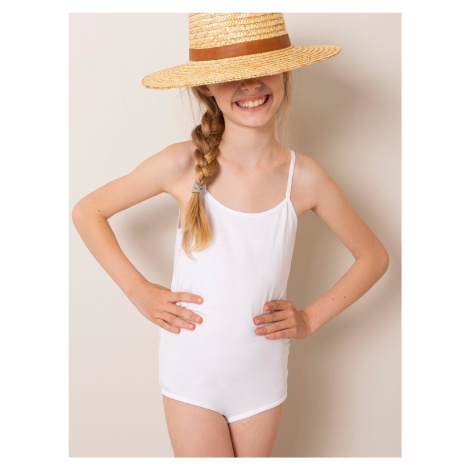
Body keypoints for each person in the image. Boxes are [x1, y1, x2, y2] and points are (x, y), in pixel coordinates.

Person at [72, 13, 389, 458]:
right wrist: (137, 290)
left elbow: (373, 256)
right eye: (231, 74)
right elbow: (88, 211)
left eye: (264, 68)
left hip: (262, 376)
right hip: (191, 373)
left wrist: (310, 319)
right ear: (206, 86)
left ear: (284, 73)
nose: (250, 84)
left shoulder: (305, 178)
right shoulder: (181, 164)